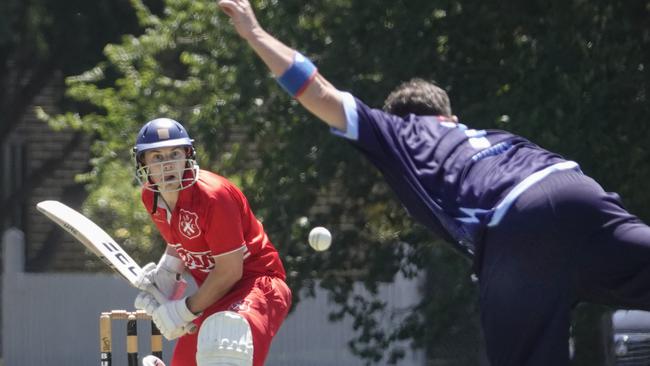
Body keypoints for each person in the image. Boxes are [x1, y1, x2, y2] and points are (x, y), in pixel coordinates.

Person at [217, 1, 650, 365]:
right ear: (450, 117)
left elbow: (319, 92)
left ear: (401, 116)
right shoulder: (494, 137)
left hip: (513, 221)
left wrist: (254, 32)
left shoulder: (397, 132)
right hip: (575, 190)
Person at [131, 117, 291, 366]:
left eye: (174, 154)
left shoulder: (213, 196)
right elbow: (180, 238)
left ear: (188, 155)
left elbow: (230, 271)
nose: (167, 165)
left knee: (227, 345)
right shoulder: (151, 198)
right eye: (157, 157)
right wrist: (167, 273)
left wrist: (183, 310)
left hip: (258, 285)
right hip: (218, 296)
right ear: (143, 163)